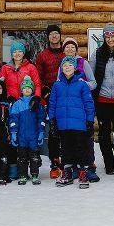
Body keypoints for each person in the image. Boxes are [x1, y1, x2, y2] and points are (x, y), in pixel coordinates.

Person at [89, 23, 114, 176]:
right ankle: (109, 166)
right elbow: (91, 75)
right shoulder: (98, 54)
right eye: (107, 35)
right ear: (104, 37)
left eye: (113, 35)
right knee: (104, 134)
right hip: (102, 100)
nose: (110, 38)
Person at [49, 56, 95, 188]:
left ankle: (83, 175)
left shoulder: (82, 84)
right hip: (63, 124)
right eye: (65, 65)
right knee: (65, 150)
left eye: (70, 65)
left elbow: (88, 104)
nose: (67, 67)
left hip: (79, 124)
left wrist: (90, 121)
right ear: (61, 69)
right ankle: (67, 174)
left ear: (75, 68)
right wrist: (52, 120)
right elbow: (52, 104)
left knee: (81, 149)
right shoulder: (57, 85)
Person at [60, 36, 99, 183]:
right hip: (69, 109)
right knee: (72, 140)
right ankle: (76, 169)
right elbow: (61, 81)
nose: (69, 49)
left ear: (76, 49)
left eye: (72, 47)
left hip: (82, 106)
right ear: (63, 50)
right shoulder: (63, 64)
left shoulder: (83, 63)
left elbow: (93, 83)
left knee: (85, 140)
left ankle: (89, 168)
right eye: (67, 47)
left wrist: (83, 84)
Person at [35, 24, 65, 178]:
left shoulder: (67, 52)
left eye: (56, 34)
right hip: (51, 97)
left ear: (60, 36)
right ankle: (54, 162)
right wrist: (45, 94)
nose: (54, 36)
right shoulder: (42, 55)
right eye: (51, 34)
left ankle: (67, 161)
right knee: (53, 131)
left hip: (67, 97)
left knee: (67, 129)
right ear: (48, 37)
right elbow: (38, 78)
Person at [8, 76, 46, 185]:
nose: (27, 90)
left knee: (34, 157)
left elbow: (41, 119)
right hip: (21, 136)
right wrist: (14, 133)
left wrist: (41, 132)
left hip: (33, 135)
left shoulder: (37, 104)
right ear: (21, 90)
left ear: (32, 90)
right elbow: (13, 119)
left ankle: (35, 174)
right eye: (24, 88)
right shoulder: (17, 104)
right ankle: (22, 175)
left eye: (29, 88)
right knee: (22, 157)